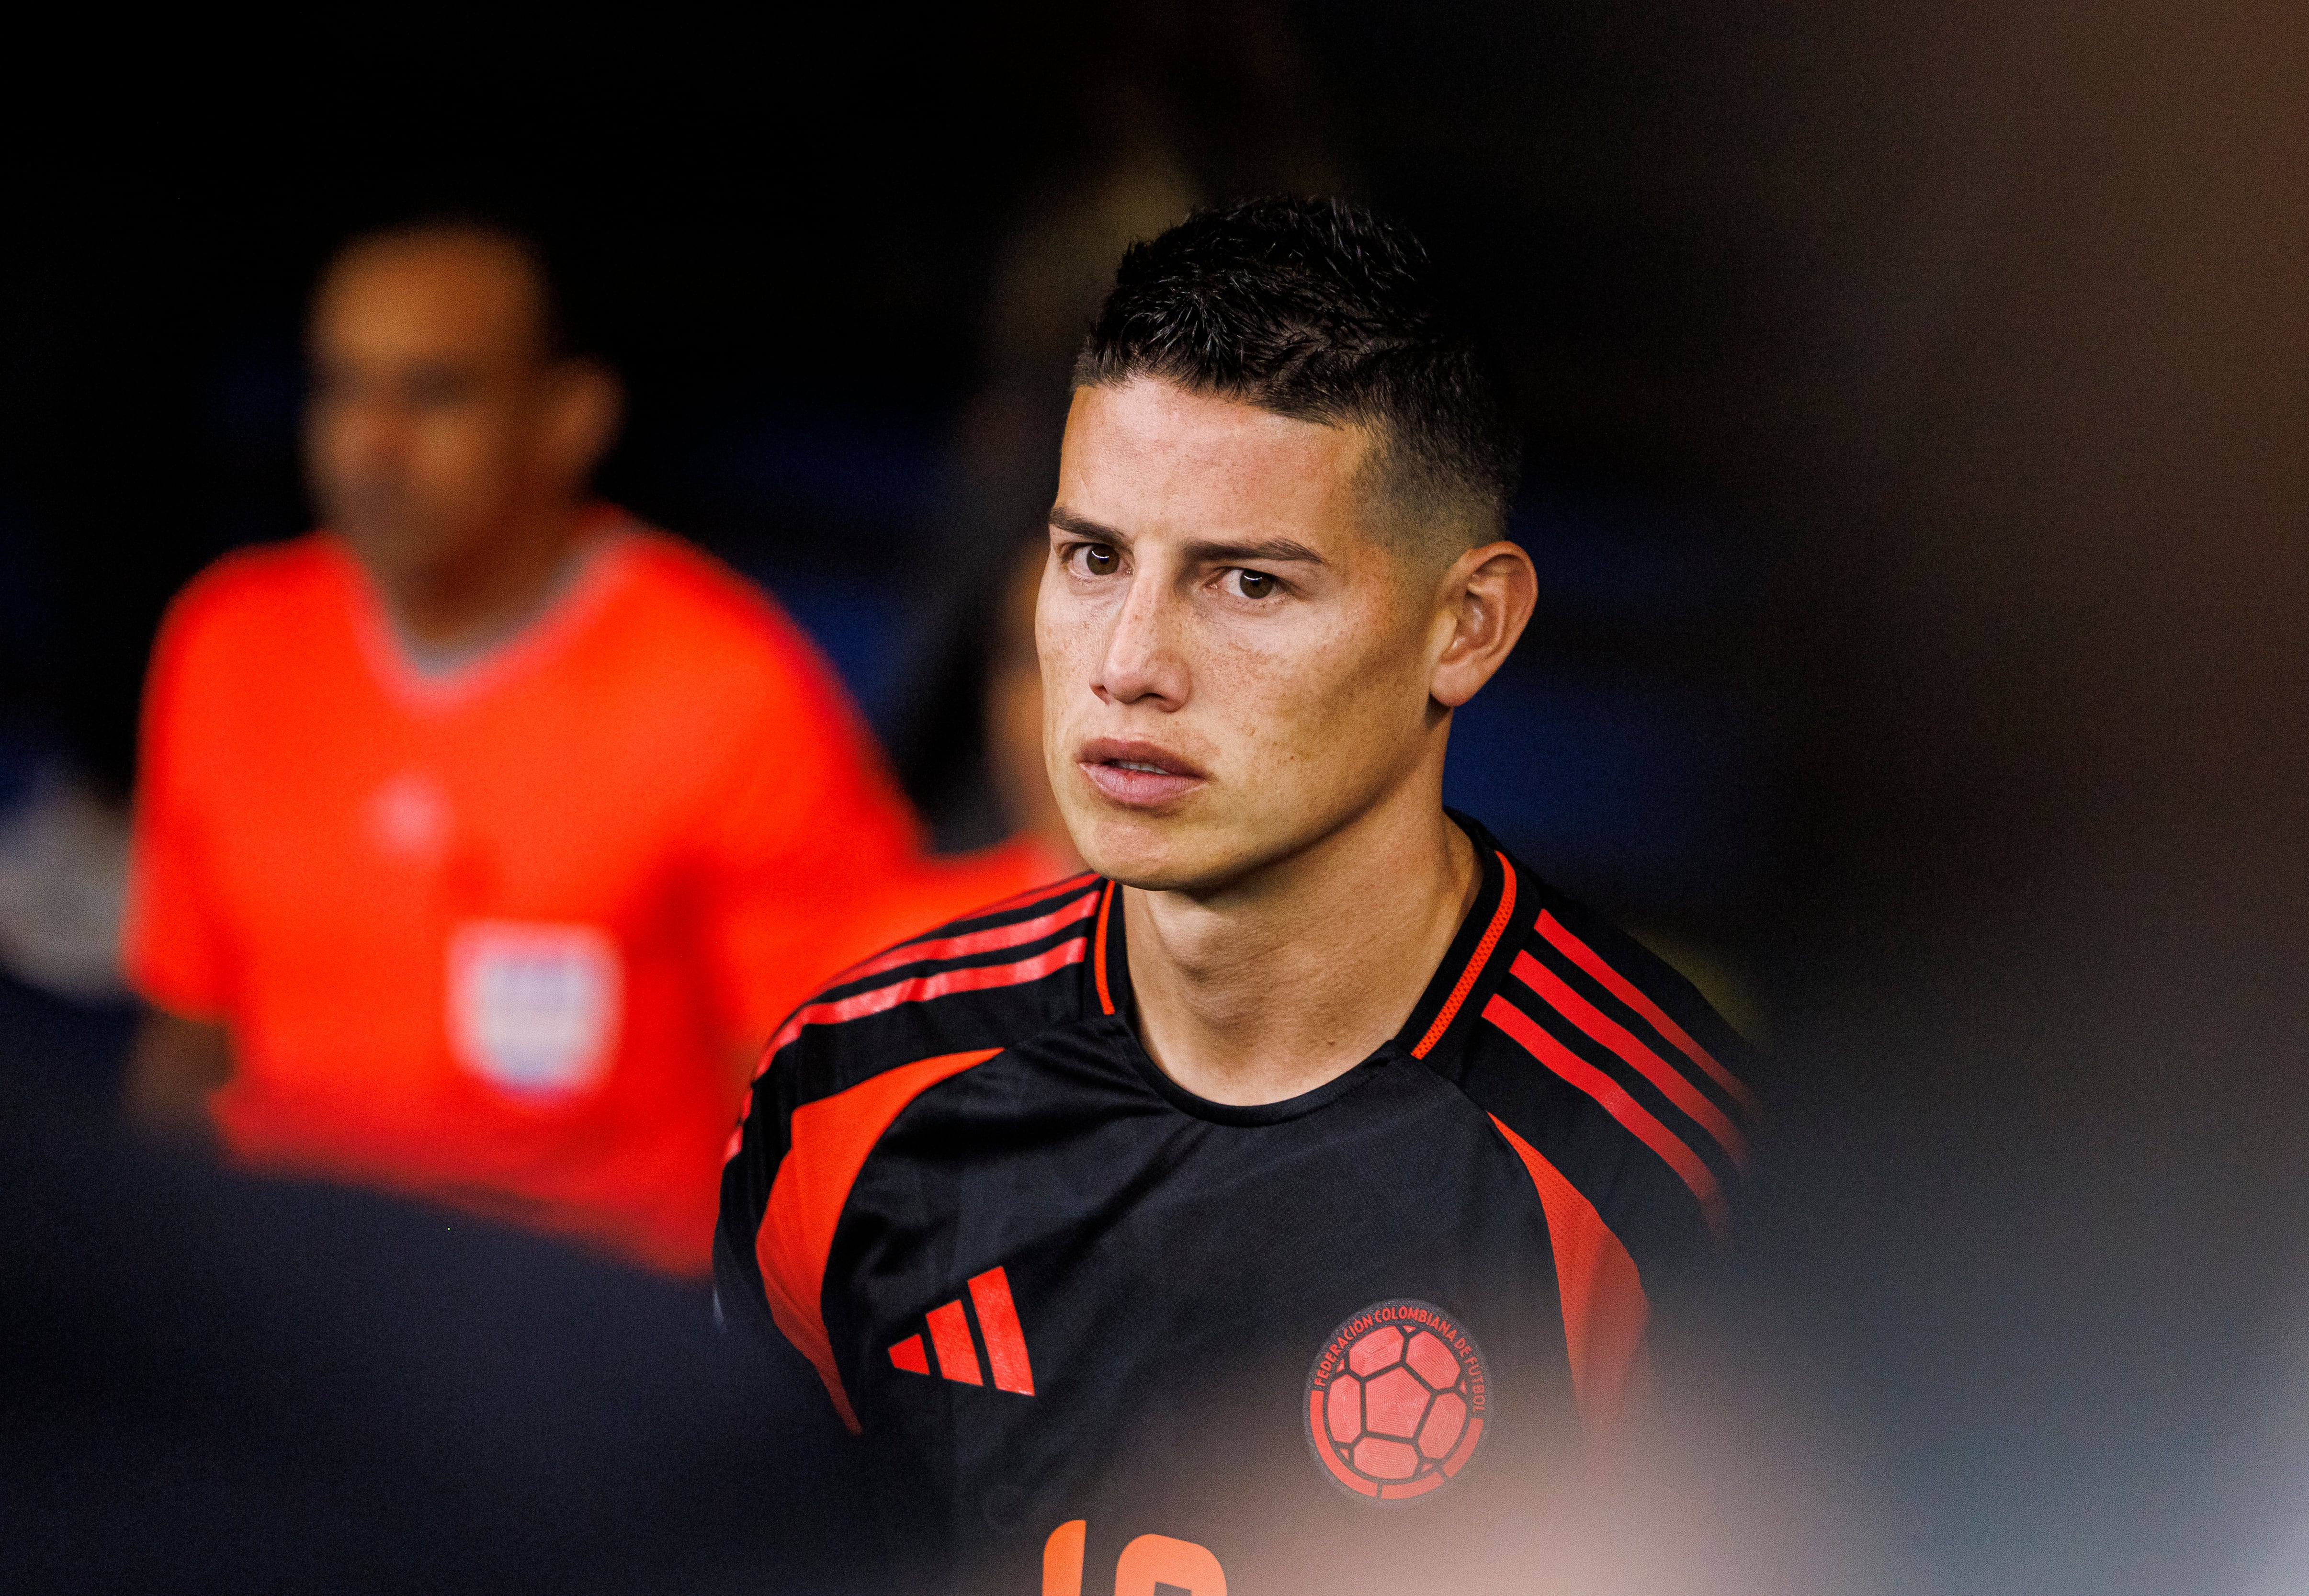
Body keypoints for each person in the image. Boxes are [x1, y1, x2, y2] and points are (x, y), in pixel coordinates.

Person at [716, 197, 1759, 1592]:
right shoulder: (851, 1094)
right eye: (1094, 557)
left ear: (1470, 626)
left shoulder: (1679, 1178)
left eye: (1249, 581)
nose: (1130, 661)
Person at [123, 218, 1038, 1279]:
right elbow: (186, 1042)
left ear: (568, 417)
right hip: (281, 1293)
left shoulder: (725, 688)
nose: (369, 440)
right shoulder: (226, 640)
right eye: (339, 387)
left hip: (590, 1348)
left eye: (433, 392)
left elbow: (833, 1107)